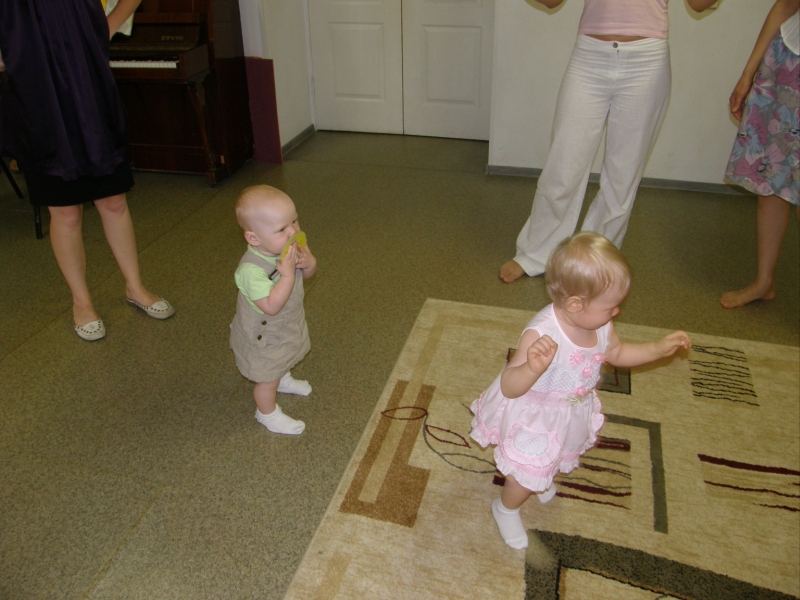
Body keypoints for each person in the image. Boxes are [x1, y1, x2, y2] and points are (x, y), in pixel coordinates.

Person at [473, 232, 691, 549]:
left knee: (554, 454)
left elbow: (617, 353)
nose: (616, 313)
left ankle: (539, 477)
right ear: (575, 304)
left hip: (569, 410)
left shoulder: (600, 324)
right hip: (535, 416)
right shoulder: (541, 334)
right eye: (611, 307)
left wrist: (657, 349)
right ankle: (505, 508)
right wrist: (532, 368)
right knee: (525, 472)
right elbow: (509, 386)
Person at [499, 0, 720, 283]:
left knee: (621, 178)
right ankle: (535, 254)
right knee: (563, 169)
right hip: (590, 56)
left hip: (647, 60)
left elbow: (699, 5)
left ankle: (594, 262)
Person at [0, 0, 174, 341]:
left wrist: (102, 29)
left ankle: (135, 287)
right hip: (36, 95)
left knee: (114, 200)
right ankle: (81, 302)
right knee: (65, 212)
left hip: (88, 87)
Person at [720, 0, 799, 309]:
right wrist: (748, 74)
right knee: (772, 175)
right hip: (789, 59)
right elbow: (787, 3)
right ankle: (764, 281)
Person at [230, 185, 317, 435]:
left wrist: (308, 262)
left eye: (294, 221)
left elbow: (308, 274)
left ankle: (282, 377)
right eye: (281, 229)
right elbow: (271, 306)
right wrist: (287, 276)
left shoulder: (289, 250)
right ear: (254, 238)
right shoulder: (250, 271)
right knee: (266, 377)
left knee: (285, 353)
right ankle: (267, 413)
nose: (293, 232)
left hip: (287, 325)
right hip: (264, 335)